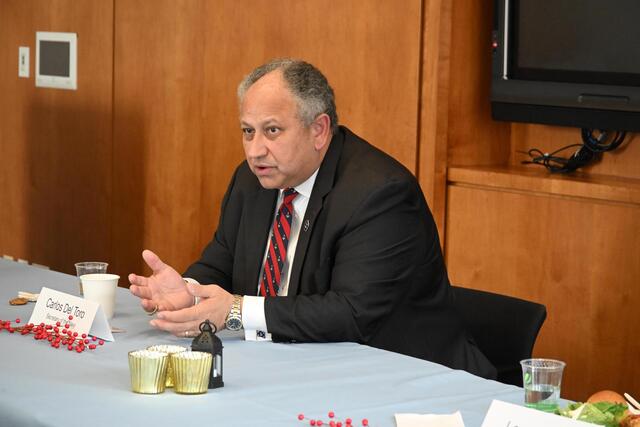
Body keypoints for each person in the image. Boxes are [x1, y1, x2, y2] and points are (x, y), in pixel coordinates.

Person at [128, 58, 496, 379]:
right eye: (247, 131)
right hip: (296, 367)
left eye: (272, 130)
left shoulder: (380, 193)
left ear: (319, 130)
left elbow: (352, 313)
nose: (255, 150)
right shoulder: (252, 178)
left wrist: (236, 310)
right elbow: (223, 260)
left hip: (407, 379)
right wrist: (189, 292)